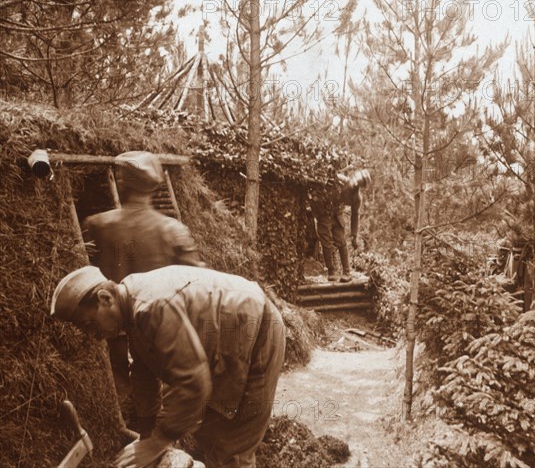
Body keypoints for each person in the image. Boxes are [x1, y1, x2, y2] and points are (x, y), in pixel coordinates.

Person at [50, 264, 286, 468]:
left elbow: (193, 382)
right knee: (207, 431)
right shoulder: (130, 304)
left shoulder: (152, 307)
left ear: (105, 298)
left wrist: (157, 442)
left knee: (232, 448)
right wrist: (147, 431)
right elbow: (143, 371)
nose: (92, 335)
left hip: (257, 333)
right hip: (224, 343)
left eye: (89, 323)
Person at [83, 151, 205, 425]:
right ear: (153, 187)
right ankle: (163, 428)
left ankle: (127, 424)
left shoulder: (97, 224)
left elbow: (86, 275)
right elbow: (195, 281)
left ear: (122, 183)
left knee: (122, 371)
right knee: (157, 370)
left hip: (111, 318)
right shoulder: (172, 230)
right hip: (160, 322)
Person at [310, 169, 371, 282]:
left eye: (360, 182)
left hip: (337, 215)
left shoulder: (356, 198)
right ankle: (331, 271)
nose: (356, 182)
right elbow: (321, 185)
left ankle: (346, 272)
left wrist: (354, 235)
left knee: (341, 242)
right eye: (358, 179)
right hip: (324, 212)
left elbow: (354, 215)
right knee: (326, 242)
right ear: (355, 176)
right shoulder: (339, 179)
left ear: (361, 185)